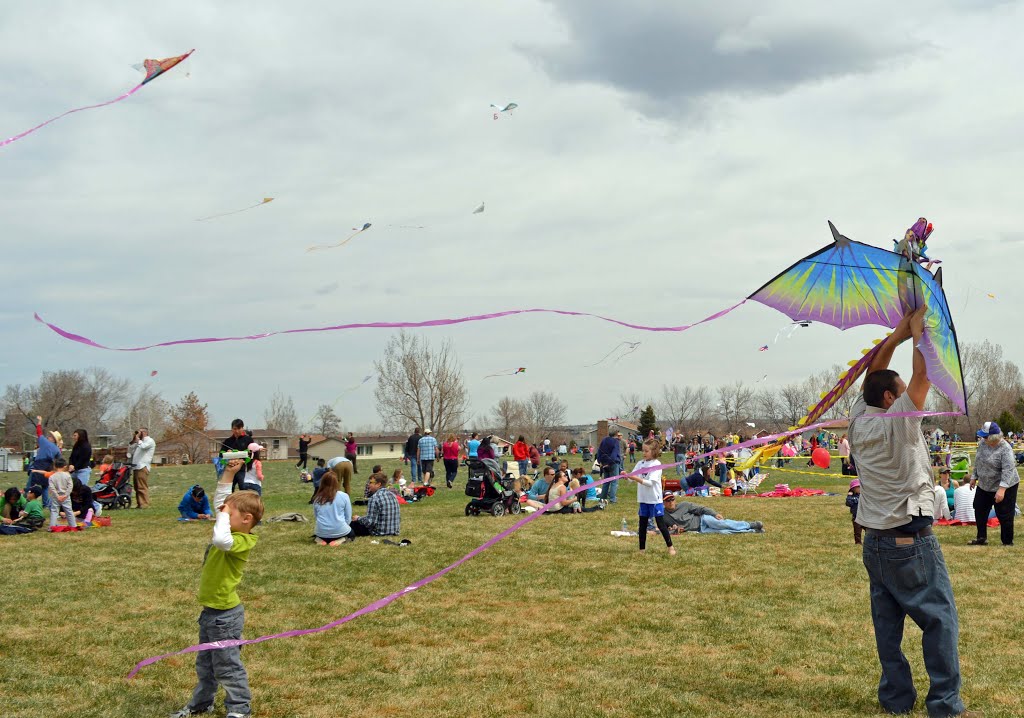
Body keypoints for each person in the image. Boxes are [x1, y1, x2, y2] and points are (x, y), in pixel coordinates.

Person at [847, 307, 969, 718]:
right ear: (890, 398)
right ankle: (946, 706)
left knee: (888, 626)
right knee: (940, 619)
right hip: (908, 541)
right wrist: (920, 336)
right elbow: (920, 377)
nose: (905, 394)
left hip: (876, 543)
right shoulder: (897, 418)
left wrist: (897, 334)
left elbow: (872, 379)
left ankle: (896, 701)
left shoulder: (859, 421)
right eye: (897, 391)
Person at [170, 460, 262, 718]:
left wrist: (221, 515)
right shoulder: (233, 528)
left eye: (228, 515)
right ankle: (202, 703)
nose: (221, 516)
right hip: (210, 613)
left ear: (246, 520)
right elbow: (224, 502)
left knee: (228, 666)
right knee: (206, 665)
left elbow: (221, 539)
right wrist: (229, 474)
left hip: (225, 617)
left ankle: (239, 709)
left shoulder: (243, 540)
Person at [969, 420, 1019, 546]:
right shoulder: (983, 443)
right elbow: (978, 460)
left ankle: (1007, 542)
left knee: (1005, 513)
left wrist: (1002, 489)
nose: (982, 438)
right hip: (984, 485)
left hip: (1005, 485)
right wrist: (974, 477)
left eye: (985, 436)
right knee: (979, 508)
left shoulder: (1005, 449)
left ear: (993, 438)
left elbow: (1008, 470)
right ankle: (981, 538)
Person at [625, 439, 675, 554]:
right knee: (642, 526)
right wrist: (626, 475)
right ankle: (642, 550)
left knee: (661, 524)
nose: (644, 453)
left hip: (654, 499)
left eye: (646, 451)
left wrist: (634, 478)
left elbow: (649, 483)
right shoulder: (640, 463)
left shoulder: (656, 465)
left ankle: (670, 547)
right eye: (643, 450)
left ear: (654, 451)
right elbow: (631, 478)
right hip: (643, 499)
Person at [662, 494, 764, 534]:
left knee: (723, 524)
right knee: (724, 532)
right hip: (700, 530)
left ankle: (750, 524)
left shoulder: (684, 505)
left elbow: (701, 508)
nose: (671, 502)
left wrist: (714, 514)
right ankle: (752, 531)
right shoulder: (663, 515)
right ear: (663, 503)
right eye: (668, 500)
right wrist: (673, 530)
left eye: (672, 499)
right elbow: (665, 530)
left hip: (703, 519)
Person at [27, 416, 62, 508]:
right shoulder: (57, 449)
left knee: (31, 484)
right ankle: (45, 503)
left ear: (53, 439)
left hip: (38, 465)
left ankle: (26, 500)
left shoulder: (44, 442)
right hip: (48, 467)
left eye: (50, 436)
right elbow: (59, 460)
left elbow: (39, 433)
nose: (48, 437)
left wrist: (39, 422)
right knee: (45, 486)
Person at [350, 473, 401, 537]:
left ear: (378, 484)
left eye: (371, 482)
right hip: (394, 531)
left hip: (379, 532)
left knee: (351, 524)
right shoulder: (393, 495)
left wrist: (358, 519)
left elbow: (370, 522)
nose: (368, 485)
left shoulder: (374, 498)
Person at [311, 471, 353, 546]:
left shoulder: (317, 498)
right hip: (340, 531)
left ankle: (319, 540)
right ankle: (341, 540)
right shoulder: (344, 496)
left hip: (321, 533)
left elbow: (316, 516)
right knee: (352, 534)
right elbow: (348, 518)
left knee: (318, 535)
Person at [127, 426, 156, 509]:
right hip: (136, 467)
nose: (138, 434)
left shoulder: (150, 441)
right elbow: (131, 447)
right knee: (137, 487)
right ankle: (139, 504)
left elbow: (143, 447)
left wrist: (138, 440)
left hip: (143, 466)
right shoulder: (139, 441)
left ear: (144, 432)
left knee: (142, 486)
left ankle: (145, 504)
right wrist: (134, 438)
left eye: (140, 432)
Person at [220, 419, 253, 493]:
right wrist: (227, 454)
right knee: (228, 489)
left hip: (243, 470)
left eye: (239, 428)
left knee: (244, 488)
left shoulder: (248, 440)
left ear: (242, 428)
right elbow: (221, 454)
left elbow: (252, 453)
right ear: (232, 429)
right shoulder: (228, 441)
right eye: (235, 429)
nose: (237, 431)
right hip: (230, 469)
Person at [47, 458, 76, 530]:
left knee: (54, 511)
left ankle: (52, 527)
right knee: (69, 511)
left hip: (56, 497)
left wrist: (57, 495)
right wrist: (66, 495)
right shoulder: (67, 475)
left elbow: (52, 487)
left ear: (55, 466)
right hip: (65, 496)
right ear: (65, 466)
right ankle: (73, 526)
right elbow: (70, 486)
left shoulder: (52, 477)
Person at [596, 430, 622, 504]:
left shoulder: (604, 440)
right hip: (613, 463)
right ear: (616, 433)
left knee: (606, 481)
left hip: (604, 463)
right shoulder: (616, 442)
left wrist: (600, 460)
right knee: (614, 481)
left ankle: (603, 497)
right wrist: (610, 462)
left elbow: (599, 451)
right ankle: (613, 499)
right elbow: (614, 454)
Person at [846, 479, 863, 544]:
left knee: (869, 530)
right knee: (857, 531)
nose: (859, 489)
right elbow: (848, 503)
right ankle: (858, 542)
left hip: (864, 516)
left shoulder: (863, 496)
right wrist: (849, 496)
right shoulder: (851, 497)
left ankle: (870, 541)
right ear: (853, 489)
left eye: (860, 487)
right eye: (857, 487)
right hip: (856, 517)